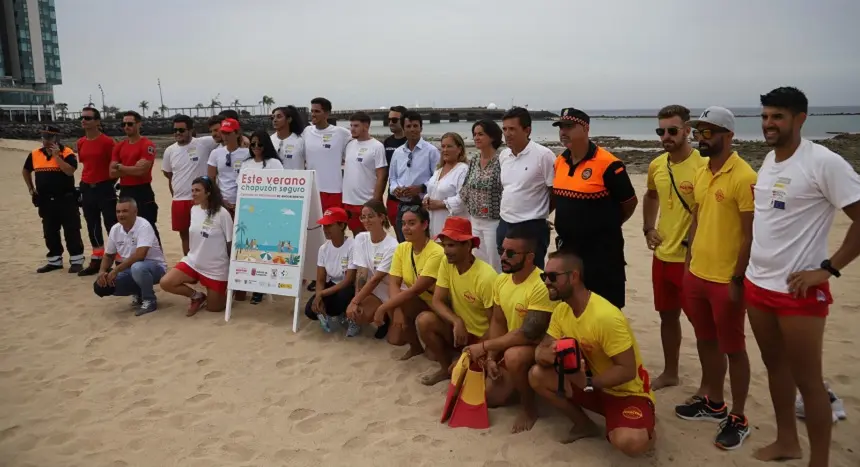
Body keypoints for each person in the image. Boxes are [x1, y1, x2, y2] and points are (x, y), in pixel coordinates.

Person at [745, 87, 860, 466]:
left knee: (809, 381)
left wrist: (828, 268)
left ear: (801, 118)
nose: (769, 124)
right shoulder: (770, 161)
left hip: (798, 291)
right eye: (765, 116)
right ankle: (786, 441)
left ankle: (820, 461)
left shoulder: (823, 162)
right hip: (758, 284)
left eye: (777, 116)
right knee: (775, 368)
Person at [675, 106, 755, 451]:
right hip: (697, 274)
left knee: (733, 348)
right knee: (705, 340)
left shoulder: (745, 176)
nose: (700, 138)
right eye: (698, 132)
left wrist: (738, 278)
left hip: (726, 280)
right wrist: (689, 261)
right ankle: (714, 401)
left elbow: (751, 235)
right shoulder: (704, 171)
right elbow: (697, 218)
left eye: (708, 132)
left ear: (728, 136)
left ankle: (738, 416)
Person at [530, 250, 655, 457]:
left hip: (626, 393)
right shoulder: (562, 311)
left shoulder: (605, 316)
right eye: (544, 276)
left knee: (630, 443)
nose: (546, 282)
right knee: (536, 375)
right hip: (589, 384)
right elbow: (541, 349)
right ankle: (584, 425)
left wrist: (587, 382)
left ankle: (648, 431)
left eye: (553, 277)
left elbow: (627, 370)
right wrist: (547, 356)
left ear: (574, 276)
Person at [463, 226, 556, 433]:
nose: (503, 257)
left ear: (530, 257)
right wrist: (490, 358)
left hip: (540, 348)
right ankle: (516, 383)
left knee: (514, 356)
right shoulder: (502, 280)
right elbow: (498, 322)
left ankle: (529, 408)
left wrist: (486, 346)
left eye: (511, 253)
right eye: (502, 251)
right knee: (491, 399)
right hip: (512, 343)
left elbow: (528, 333)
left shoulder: (540, 285)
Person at [642, 105, 707, 390]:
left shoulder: (703, 165)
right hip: (663, 255)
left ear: (687, 130)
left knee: (702, 324)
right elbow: (651, 195)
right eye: (661, 131)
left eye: (672, 130)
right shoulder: (657, 164)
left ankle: (710, 385)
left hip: (692, 260)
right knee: (667, 316)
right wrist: (648, 228)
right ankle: (671, 372)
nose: (665, 136)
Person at [551, 107, 638, 309]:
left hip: (602, 254)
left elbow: (629, 203)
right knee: (571, 306)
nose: (564, 132)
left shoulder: (609, 165)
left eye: (570, 126)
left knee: (604, 308)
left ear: (585, 128)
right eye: (561, 127)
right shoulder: (560, 162)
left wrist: (606, 225)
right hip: (568, 251)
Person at [416, 217, 497, 386]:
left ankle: (461, 361)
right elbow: (437, 301)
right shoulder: (447, 263)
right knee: (424, 320)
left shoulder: (486, 277)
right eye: (444, 245)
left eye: (451, 245)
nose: (445, 251)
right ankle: (445, 368)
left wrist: (477, 349)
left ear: (468, 246)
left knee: (473, 385)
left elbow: (495, 325)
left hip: (483, 338)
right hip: (459, 332)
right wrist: (456, 321)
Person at [374, 206, 444, 360]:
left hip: (440, 306)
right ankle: (415, 347)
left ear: (425, 225)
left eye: (412, 223)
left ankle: (442, 350)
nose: (406, 228)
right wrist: (396, 309)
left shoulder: (436, 252)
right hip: (422, 301)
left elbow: (416, 290)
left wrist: (383, 308)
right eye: (403, 223)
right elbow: (394, 282)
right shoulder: (402, 248)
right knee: (396, 307)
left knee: (432, 351)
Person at [158, 176, 233, 316]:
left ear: (208, 192)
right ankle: (197, 296)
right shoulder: (194, 210)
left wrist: (231, 270)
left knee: (214, 308)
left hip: (216, 267)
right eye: (192, 190)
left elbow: (230, 242)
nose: (193, 194)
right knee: (166, 282)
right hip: (194, 262)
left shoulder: (222, 214)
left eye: (197, 190)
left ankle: (221, 290)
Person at [23, 125, 85, 273]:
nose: (45, 140)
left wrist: (57, 157)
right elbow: (26, 170)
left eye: (49, 136)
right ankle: (54, 261)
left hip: (66, 199)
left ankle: (76, 260)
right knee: (50, 231)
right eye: (43, 136)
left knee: (72, 230)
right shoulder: (35, 154)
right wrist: (31, 189)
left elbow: (69, 171)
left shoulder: (68, 153)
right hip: (45, 200)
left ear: (57, 138)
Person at [498, 107, 555, 269]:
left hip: (531, 226)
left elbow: (555, 192)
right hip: (504, 222)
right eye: (505, 129)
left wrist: (540, 214)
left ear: (527, 130)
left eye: (512, 129)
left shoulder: (544, 155)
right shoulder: (504, 156)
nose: (507, 133)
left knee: (532, 271)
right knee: (507, 270)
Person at [93, 197, 168, 316]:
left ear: (135, 212)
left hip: (155, 269)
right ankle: (138, 292)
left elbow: (140, 255)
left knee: (138, 267)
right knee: (100, 286)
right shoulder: (115, 229)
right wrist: (102, 272)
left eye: (125, 211)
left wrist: (116, 270)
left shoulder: (144, 226)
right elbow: (108, 255)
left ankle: (149, 300)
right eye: (118, 211)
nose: (121, 214)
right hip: (129, 269)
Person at [161, 115, 214, 255]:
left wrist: (244, 140)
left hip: (200, 200)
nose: (178, 133)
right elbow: (168, 174)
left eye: (181, 130)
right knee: (184, 236)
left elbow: (226, 138)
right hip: (179, 200)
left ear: (191, 130)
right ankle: (189, 263)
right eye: (175, 130)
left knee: (205, 234)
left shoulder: (204, 143)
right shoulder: (169, 151)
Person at [346, 200, 399, 338]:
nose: (366, 220)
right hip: (373, 290)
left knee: (396, 339)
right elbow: (361, 273)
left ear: (381, 217)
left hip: (390, 290)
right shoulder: (360, 238)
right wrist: (357, 300)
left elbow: (376, 279)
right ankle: (381, 317)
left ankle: (388, 316)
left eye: (371, 216)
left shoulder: (392, 245)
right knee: (358, 314)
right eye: (363, 217)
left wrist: (354, 301)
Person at [76, 106, 118, 276]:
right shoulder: (80, 142)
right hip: (87, 187)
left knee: (111, 224)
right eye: (82, 118)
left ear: (97, 122)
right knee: (92, 223)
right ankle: (97, 258)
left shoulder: (108, 142)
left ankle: (118, 259)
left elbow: (114, 166)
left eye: (88, 118)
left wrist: (108, 183)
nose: (84, 121)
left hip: (105, 187)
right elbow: (85, 164)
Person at [388, 112, 441, 241]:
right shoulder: (398, 152)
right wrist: (395, 189)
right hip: (402, 205)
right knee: (403, 243)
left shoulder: (431, 151)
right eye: (409, 126)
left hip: (422, 206)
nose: (412, 129)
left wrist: (421, 188)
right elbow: (393, 178)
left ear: (421, 128)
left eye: (415, 126)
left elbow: (439, 178)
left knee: (424, 243)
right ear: (403, 128)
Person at [459, 119, 504, 272]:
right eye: (474, 134)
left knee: (495, 264)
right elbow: (465, 188)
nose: (476, 138)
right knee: (479, 264)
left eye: (481, 134)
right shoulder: (474, 160)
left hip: (494, 221)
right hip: (475, 220)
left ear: (492, 137)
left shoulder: (501, 161)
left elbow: (505, 189)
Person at [110, 111, 161, 244]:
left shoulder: (147, 145)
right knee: (126, 226)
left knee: (148, 225)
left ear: (139, 124)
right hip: (125, 190)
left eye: (130, 124)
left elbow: (141, 172)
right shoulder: (119, 146)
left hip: (142, 190)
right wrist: (131, 168)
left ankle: (157, 259)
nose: (126, 126)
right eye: (124, 124)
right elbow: (112, 173)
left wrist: (120, 167)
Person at [306, 207, 357, 335]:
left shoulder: (353, 245)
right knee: (310, 310)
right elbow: (321, 279)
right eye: (324, 226)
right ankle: (332, 314)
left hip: (350, 287)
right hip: (332, 284)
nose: (325, 229)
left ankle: (349, 317)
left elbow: (348, 280)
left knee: (341, 299)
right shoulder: (323, 248)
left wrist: (321, 294)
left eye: (329, 225)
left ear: (341, 225)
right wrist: (319, 296)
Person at [303, 97, 352, 211]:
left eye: (317, 111)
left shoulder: (342, 133)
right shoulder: (307, 131)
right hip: (312, 189)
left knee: (334, 227)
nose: (313, 114)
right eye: (312, 111)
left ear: (327, 114)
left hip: (333, 190)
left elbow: (357, 148)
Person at [342, 111, 387, 234]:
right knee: (357, 237)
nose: (352, 129)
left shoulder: (377, 146)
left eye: (356, 126)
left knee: (373, 236)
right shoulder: (349, 145)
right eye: (351, 126)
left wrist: (375, 202)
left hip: (367, 201)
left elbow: (381, 175)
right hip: (349, 202)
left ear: (366, 126)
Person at [423, 132, 469, 237]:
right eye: (443, 146)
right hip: (434, 226)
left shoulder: (463, 170)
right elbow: (433, 191)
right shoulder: (438, 170)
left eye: (449, 146)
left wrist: (440, 204)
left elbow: (463, 199)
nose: (445, 150)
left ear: (459, 149)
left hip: (453, 228)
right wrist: (426, 199)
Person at [207, 118, 251, 218]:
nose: (225, 136)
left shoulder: (247, 153)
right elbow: (211, 180)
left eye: (228, 133)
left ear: (237, 133)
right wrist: (220, 200)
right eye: (223, 132)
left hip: (243, 202)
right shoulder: (215, 153)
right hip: (223, 202)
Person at [383, 105, 409, 226]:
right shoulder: (387, 142)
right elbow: (384, 173)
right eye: (389, 120)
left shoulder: (410, 142)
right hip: (392, 197)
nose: (390, 123)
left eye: (394, 120)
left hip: (410, 199)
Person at [270, 105, 307, 170]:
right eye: (272, 117)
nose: (274, 120)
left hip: (295, 179)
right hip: (275, 179)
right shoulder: (269, 140)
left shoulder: (300, 140)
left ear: (289, 119)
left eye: (279, 117)